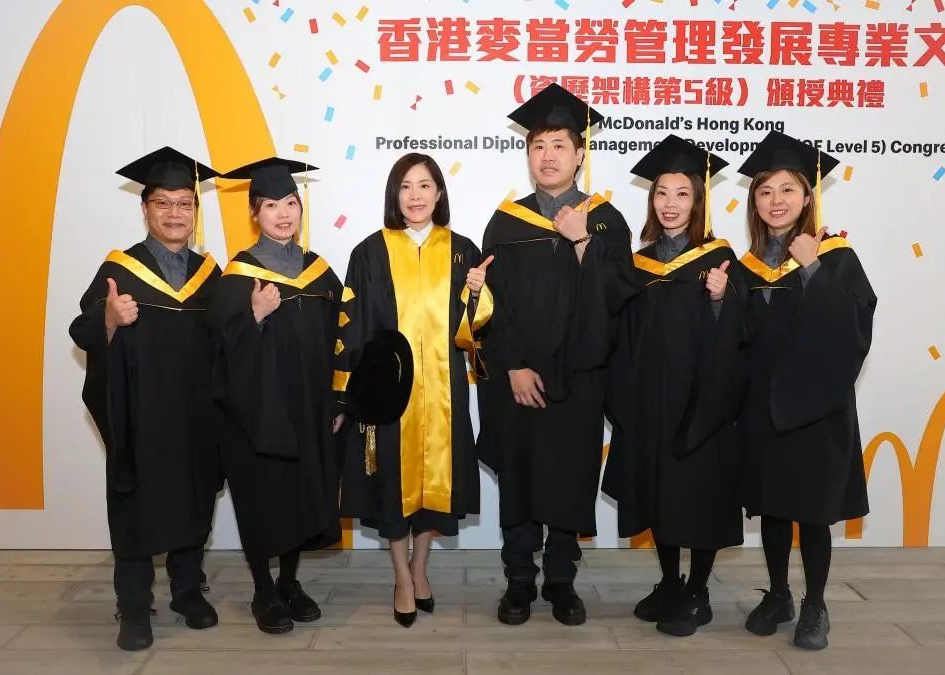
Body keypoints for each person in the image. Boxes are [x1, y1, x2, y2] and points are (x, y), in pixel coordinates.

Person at [477, 83, 637, 626]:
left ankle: (562, 580)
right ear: (528, 155)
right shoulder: (506, 222)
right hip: (518, 376)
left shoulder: (605, 220)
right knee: (520, 478)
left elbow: (619, 297)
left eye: (559, 145)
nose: (548, 156)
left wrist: (581, 240)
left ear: (580, 154)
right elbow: (490, 303)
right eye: (538, 145)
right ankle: (519, 579)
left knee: (570, 477)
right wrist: (513, 365)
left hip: (581, 377)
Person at [70, 147, 222, 651]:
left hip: (196, 415)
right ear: (145, 208)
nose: (175, 213)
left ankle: (187, 591)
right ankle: (134, 605)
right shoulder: (122, 268)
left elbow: (229, 338)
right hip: (142, 414)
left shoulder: (210, 272)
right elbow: (81, 328)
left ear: (195, 211)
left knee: (194, 498)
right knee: (135, 505)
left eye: (185, 203)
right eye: (163, 203)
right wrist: (110, 319)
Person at [334, 153, 491, 627]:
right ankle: (401, 577)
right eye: (405, 186)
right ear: (394, 195)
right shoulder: (369, 252)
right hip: (389, 396)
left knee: (433, 492)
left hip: (443, 393)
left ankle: (420, 568)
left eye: (425, 185)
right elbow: (352, 327)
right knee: (393, 489)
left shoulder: (462, 250)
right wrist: (348, 395)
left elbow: (474, 332)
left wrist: (478, 294)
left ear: (439, 193)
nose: (416, 195)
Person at [735, 131, 877, 650]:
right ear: (754, 201)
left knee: (813, 512)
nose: (776, 201)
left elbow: (854, 326)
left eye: (787, 190)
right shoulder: (748, 264)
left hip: (818, 409)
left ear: (807, 197)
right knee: (773, 506)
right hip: (764, 408)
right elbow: (740, 338)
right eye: (765, 191)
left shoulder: (835, 256)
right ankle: (778, 594)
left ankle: (815, 604)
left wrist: (812, 266)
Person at [602, 135, 747, 637]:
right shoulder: (639, 263)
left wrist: (719, 300)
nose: (670, 203)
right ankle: (669, 581)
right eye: (661, 193)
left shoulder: (720, 259)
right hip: (649, 404)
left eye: (682, 194)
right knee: (659, 494)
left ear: (698, 201)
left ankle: (698, 591)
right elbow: (621, 333)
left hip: (701, 406)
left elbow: (741, 334)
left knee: (699, 498)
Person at [208, 158, 344, 635]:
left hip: (309, 408)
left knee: (302, 494)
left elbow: (343, 340)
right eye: (270, 205)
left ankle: (289, 582)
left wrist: (339, 400)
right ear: (254, 214)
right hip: (257, 414)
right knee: (264, 498)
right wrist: (255, 316)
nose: (283, 214)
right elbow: (216, 349)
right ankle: (263, 590)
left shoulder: (320, 273)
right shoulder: (238, 276)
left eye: (290, 203)